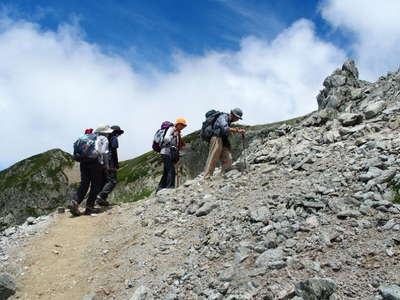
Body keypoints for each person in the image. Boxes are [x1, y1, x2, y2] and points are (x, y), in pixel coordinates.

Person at [68, 124, 113, 216]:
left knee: (84, 183)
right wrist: (106, 165)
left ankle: (75, 202)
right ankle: (89, 207)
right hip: (96, 163)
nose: (108, 134)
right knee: (96, 185)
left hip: (83, 161)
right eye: (107, 133)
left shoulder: (88, 137)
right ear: (104, 132)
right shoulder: (103, 139)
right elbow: (103, 153)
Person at [204, 108, 246, 178]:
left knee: (228, 157)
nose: (237, 120)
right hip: (216, 137)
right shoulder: (223, 117)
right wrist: (238, 130)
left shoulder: (228, 120)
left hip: (223, 139)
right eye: (237, 118)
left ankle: (224, 174)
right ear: (233, 115)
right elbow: (225, 128)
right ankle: (207, 176)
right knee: (214, 156)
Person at [96, 125, 124, 206]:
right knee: (112, 180)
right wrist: (116, 164)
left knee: (104, 180)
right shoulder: (114, 138)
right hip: (110, 161)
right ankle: (101, 196)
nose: (119, 135)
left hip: (101, 161)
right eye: (119, 133)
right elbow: (114, 151)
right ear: (116, 132)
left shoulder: (103, 137)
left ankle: (100, 200)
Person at [157, 118, 187, 191]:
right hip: (166, 152)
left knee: (166, 171)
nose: (183, 127)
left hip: (168, 153)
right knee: (171, 170)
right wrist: (173, 135)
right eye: (182, 125)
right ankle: (170, 187)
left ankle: (160, 188)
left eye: (184, 126)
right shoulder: (171, 129)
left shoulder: (177, 132)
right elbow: (166, 139)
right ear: (178, 124)